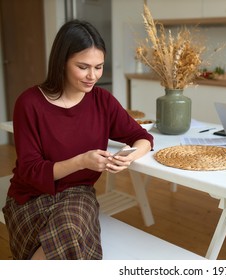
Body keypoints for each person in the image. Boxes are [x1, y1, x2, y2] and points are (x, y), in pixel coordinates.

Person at [2, 20, 154, 259]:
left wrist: (129, 157)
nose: (92, 76)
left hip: (76, 196)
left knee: (70, 228)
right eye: (83, 67)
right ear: (62, 62)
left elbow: (142, 137)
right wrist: (82, 161)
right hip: (30, 198)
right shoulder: (29, 103)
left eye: (99, 67)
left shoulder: (102, 100)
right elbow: (30, 170)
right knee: (69, 237)